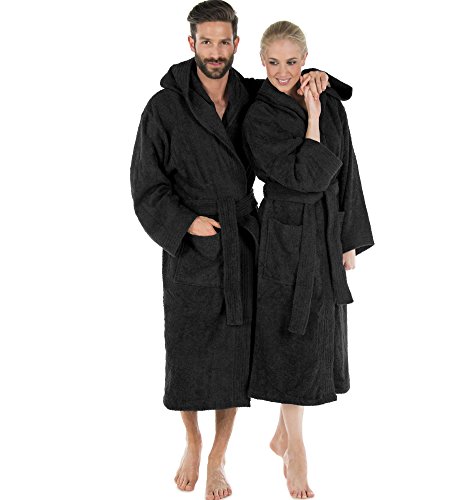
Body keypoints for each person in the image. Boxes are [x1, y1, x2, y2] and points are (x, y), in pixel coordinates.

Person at [130, 3, 332, 499]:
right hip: (192, 244)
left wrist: (319, 77)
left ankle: (218, 458)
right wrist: (185, 222)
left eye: (224, 42)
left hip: (243, 237)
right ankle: (192, 441)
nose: (216, 52)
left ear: (237, 44)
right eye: (207, 42)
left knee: (233, 357)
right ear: (192, 44)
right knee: (188, 350)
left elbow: (286, 78)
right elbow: (146, 183)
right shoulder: (164, 107)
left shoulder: (251, 94)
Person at [242, 21, 375, 499]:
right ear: (261, 62)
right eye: (273, 62)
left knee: (316, 332)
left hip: (323, 232)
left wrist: (348, 238)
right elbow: (305, 176)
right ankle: (296, 448)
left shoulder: (328, 99)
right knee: (290, 337)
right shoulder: (258, 116)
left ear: (305, 59)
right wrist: (313, 118)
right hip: (283, 235)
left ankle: (283, 436)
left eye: (292, 62)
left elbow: (348, 168)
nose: (283, 72)